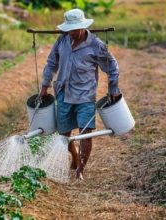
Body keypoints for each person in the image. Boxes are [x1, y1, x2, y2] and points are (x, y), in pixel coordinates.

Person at [39, 8, 121, 180]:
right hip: (63, 93)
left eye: (76, 29)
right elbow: (51, 63)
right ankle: (75, 156)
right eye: (70, 29)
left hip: (85, 95)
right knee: (64, 134)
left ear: (83, 26)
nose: (73, 32)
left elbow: (112, 67)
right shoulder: (62, 41)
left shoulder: (96, 45)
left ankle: (80, 171)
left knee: (86, 133)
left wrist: (113, 89)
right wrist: (44, 86)